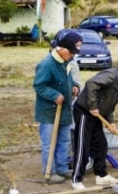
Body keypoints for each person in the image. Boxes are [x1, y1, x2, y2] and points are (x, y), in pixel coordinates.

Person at [70, 60, 118, 190]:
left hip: (96, 116)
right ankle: (76, 179)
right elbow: (91, 83)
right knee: (83, 146)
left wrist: (110, 122)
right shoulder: (112, 75)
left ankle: (101, 176)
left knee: (101, 145)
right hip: (84, 112)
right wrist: (92, 105)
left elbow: (108, 105)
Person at [33, 31, 82, 184]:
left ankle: (61, 168)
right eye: (71, 52)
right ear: (62, 49)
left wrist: (74, 86)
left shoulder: (65, 62)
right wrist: (54, 94)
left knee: (64, 141)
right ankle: (50, 171)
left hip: (64, 111)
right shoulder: (47, 64)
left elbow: (69, 80)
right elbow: (39, 85)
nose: (73, 56)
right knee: (49, 143)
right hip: (49, 112)